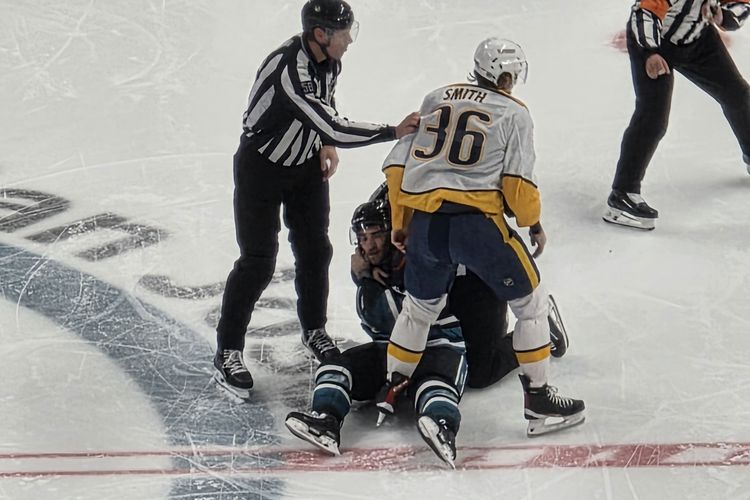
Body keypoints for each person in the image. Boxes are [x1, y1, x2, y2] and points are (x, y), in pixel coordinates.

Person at [380, 38, 585, 450]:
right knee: (531, 305)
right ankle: (539, 402)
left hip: (427, 225)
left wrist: (401, 223)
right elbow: (517, 185)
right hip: (478, 227)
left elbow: (398, 165)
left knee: (418, 310)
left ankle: (393, 389)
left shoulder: (436, 97)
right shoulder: (514, 113)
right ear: (506, 75)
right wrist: (533, 223)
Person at [212, 0, 420, 399]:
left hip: (305, 166)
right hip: (261, 168)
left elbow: (325, 113)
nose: (349, 41)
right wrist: (392, 131)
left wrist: (323, 143)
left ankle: (314, 330)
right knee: (257, 261)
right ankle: (228, 351)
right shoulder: (289, 68)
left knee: (315, 250)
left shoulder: (329, 61)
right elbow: (330, 122)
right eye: (344, 33)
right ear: (321, 34)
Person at [349, 183, 569, 389]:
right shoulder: (389, 212)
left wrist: (364, 278)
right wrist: (365, 274)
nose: (369, 246)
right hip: (447, 273)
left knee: (477, 372)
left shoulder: (415, 235)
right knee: (423, 343)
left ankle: (543, 328)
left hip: (474, 280)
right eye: (363, 238)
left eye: (376, 235)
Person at [604, 0, 750, 230]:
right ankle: (622, 194)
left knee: (738, 96)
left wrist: (723, 15)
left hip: (698, 38)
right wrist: (649, 52)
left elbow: (740, 5)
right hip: (656, 41)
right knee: (653, 116)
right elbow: (645, 13)